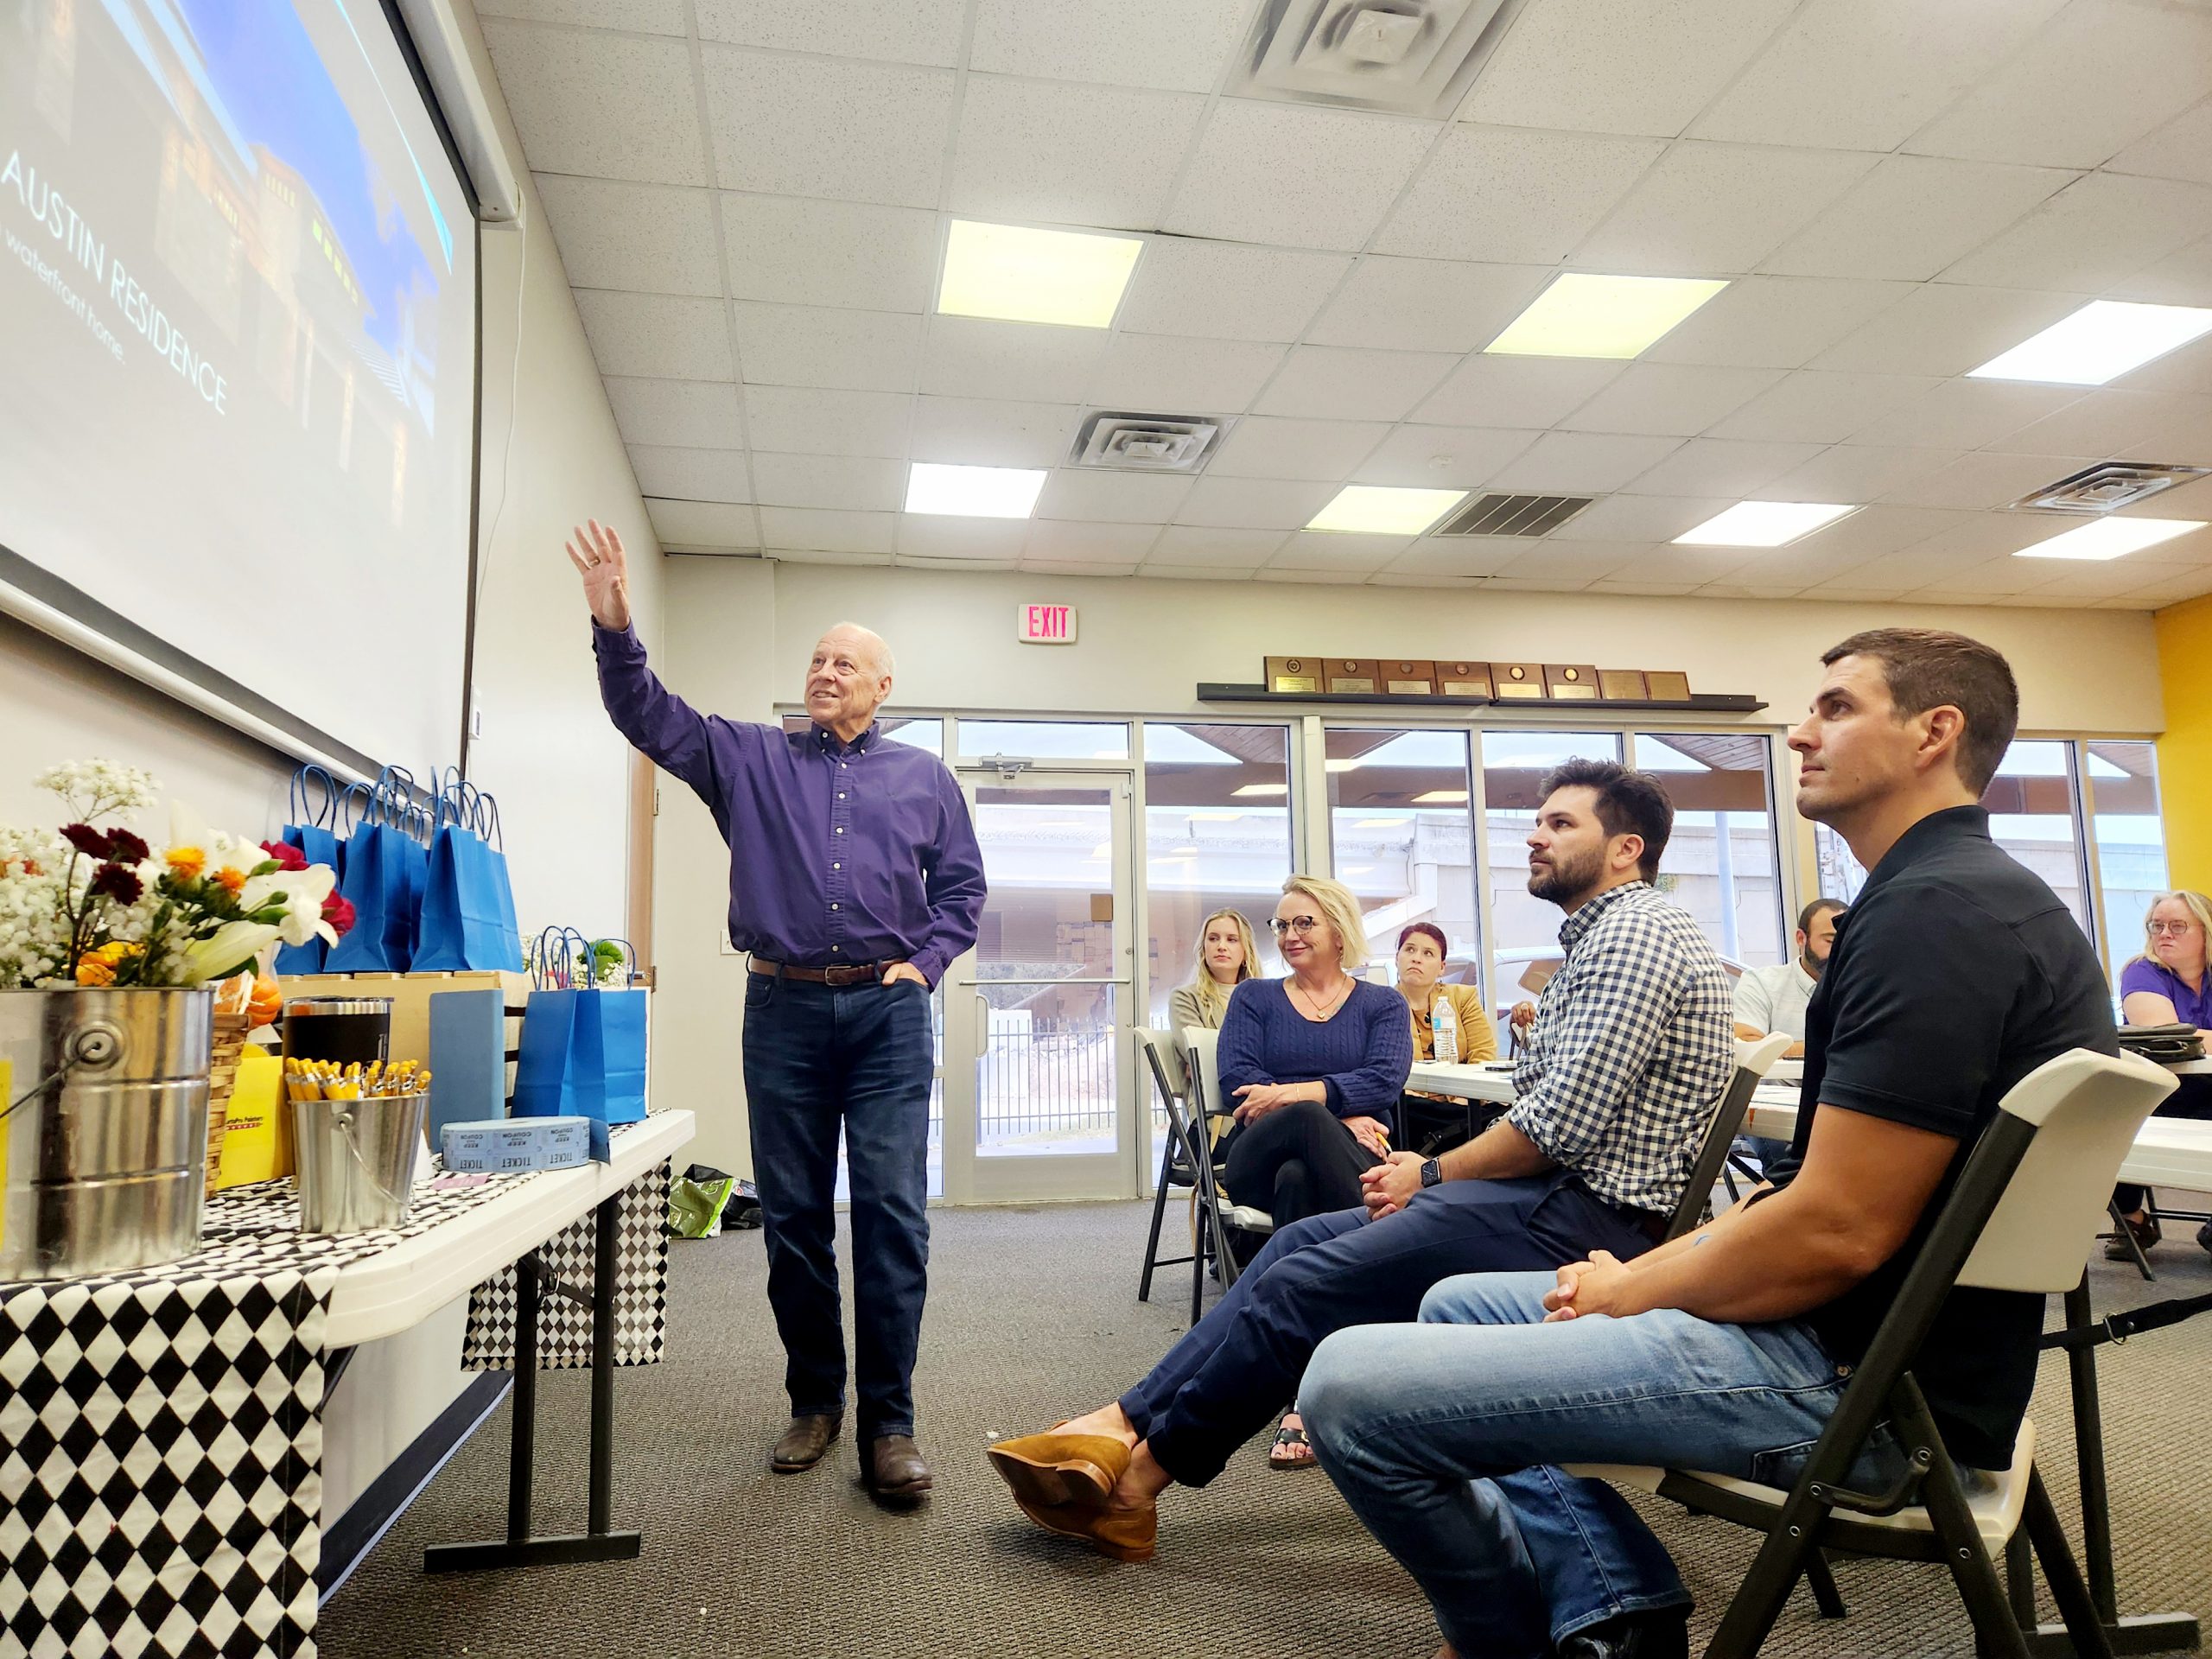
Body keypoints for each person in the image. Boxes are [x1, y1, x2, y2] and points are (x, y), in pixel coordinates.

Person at [1300, 627, 2119, 1659]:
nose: (1794, 734)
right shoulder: (1954, 897)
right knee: (1459, 1298)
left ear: (1933, 733)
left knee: (1346, 1390)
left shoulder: (1935, 917)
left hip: (1861, 1396)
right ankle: (1619, 1605)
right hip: (1859, 1349)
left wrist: (1631, 1289)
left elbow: (1834, 1231)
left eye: (1833, 708)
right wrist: (1643, 1273)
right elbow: (1817, 1207)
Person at [982, 760, 1731, 1560]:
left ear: (1626, 849)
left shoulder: (1634, 935)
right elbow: (1270, 1086)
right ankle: (1120, 1423)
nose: (1534, 835)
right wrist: (1410, 1159)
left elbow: (1554, 1125)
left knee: (1310, 1271)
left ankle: (1133, 1482)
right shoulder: (1600, 938)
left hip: (1584, 1220)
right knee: (1297, 1241)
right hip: (1542, 1193)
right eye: (1538, 821)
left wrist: (1431, 1172)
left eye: (1560, 824)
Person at [569, 519, 985, 1504]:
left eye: (848, 662)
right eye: (817, 658)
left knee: (890, 1217)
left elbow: (963, 892)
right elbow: (646, 712)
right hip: (783, 1011)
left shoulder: (924, 778)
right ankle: (816, 1401)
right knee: (795, 1218)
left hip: (885, 1018)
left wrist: (922, 966)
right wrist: (615, 622)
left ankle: (891, 1422)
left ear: (884, 688)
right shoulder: (748, 758)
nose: (827, 670)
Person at [1214, 875, 1410, 1226]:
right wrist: (1336, 1119)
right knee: (1307, 1118)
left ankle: (1287, 1276)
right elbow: (1238, 1080)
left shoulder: (1384, 1003)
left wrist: (1292, 1095)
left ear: (1339, 931)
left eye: (1304, 923)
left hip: (1354, 1152)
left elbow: (1383, 1082)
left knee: (1296, 1179)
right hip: (1260, 1155)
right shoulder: (1253, 997)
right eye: (1282, 925)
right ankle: (1390, 1241)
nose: (1290, 936)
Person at [2108, 891, 2212, 1257]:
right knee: (2111, 1118)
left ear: (2206, 932)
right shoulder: (2142, 971)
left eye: (2178, 926)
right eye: (2157, 925)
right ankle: (2132, 1219)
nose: (2164, 933)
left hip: (2206, 1091)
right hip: (2156, 1095)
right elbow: (2169, 1037)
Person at [1731, 896, 1845, 1169]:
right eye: (1830, 941)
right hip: (1773, 1111)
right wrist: (1825, 1047)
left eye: (1847, 941)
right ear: (1801, 938)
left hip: (1838, 1104)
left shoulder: (1862, 987)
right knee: (1796, 1166)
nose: (1840, 950)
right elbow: (1745, 1045)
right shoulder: (1762, 983)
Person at [1395, 920, 1502, 1155]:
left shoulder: (1462, 997)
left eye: (1428, 953)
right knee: (1398, 1107)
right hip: (1414, 1106)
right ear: (1397, 958)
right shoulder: (1383, 1004)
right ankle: (1467, 1127)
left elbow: (1483, 1056)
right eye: (1409, 950)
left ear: (1442, 967)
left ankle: (1462, 1124)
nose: (1417, 958)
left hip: (1463, 1101)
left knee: (1509, 1109)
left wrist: (1465, 1099)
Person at [1168, 907, 1260, 1039]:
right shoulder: (1185, 998)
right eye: (1213, 938)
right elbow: (1199, 1051)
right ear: (1203, 950)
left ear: (1246, 952)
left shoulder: (1263, 999)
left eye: (1232, 940)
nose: (1221, 946)